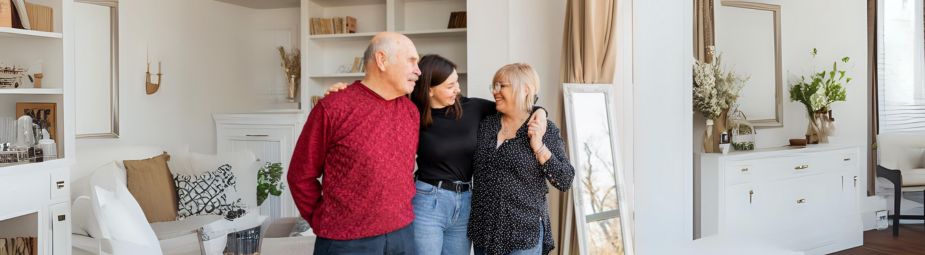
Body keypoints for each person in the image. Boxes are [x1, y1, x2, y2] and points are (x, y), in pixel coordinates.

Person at [324, 55, 548, 255]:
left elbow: (520, 107)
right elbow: (371, 108)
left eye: (457, 83)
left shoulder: (473, 108)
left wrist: (542, 113)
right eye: (450, 85)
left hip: (466, 203)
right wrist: (341, 94)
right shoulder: (409, 113)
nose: (458, 90)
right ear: (430, 89)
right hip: (428, 201)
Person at [287, 32, 422, 255]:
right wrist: (321, 219)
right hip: (347, 242)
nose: (418, 70)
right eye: (411, 61)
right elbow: (300, 175)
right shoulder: (333, 108)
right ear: (382, 60)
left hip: (403, 235)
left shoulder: (411, 111)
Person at [468, 63, 574, 255]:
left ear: (525, 89)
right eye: (494, 86)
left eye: (502, 86)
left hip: (523, 234)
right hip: (484, 232)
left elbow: (565, 179)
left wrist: (539, 146)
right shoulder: (486, 124)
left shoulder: (544, 129)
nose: (495, 92)